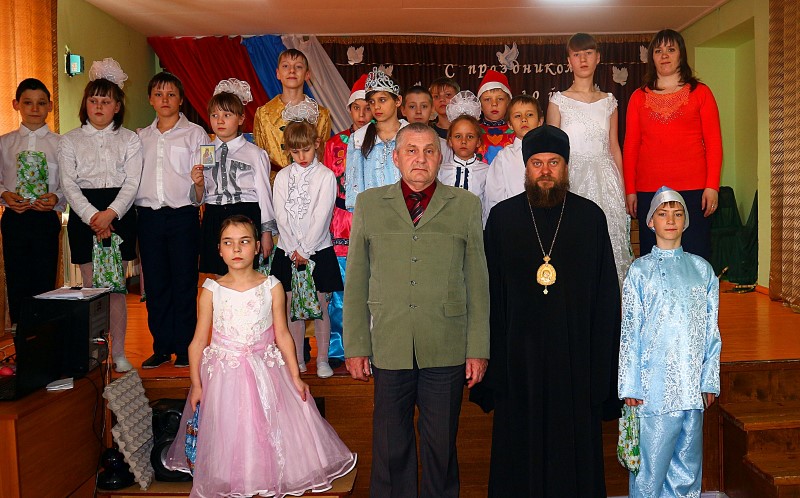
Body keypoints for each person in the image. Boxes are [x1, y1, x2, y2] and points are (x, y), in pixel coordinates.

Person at [344, 122, 490, 498]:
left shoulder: (466, 206)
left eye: (428, 151)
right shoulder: (369, 205)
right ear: (396, 157)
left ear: (440, 159)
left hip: (446, 345)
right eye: (411, 150)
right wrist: (356, 346)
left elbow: (478, 283)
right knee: (390, 447)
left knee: (440, 448)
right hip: (390, 344)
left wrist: (478, 349)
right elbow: (356, 279)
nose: (420, 159)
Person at [164, 215, 356, 497]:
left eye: (244, 242)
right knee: (230, 432)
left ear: (257, 247)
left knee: (267, 430)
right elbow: (197, 343)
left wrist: (295, 376)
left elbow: (283, 334)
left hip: (265, 371)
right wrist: (197, 384)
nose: (236, 249)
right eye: (228, 243)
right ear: (219, 250)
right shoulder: (210, 290)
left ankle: (263, 480)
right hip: (224, 377)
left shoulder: (272, 286)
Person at [480, 125, 621, 497]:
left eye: (553, 163)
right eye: (537, 163)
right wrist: (493, 361)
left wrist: (602, 368)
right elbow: (488, 295)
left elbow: (607, 296)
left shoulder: (590, 217)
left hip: (574, 359)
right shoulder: (502, 219)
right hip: (518, 360)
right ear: (526, 168)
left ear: (566, 167)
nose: (545, 171)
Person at [618, 186, 721, 497]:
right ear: (651, 221)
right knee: (650, 472)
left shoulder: (702, 270)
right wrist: (630, 386)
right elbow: (630, 331)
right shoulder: (640, 272)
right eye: (663, 214)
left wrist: (709, 379)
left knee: (687, 471)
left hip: (691, 389)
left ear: (686, 221)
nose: (671, 220)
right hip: (653, 391)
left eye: (678, 214)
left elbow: (711, 331)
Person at [58, 58, 142, 374]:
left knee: (116, 290)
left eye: (106, 101)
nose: (98, 106)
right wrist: (94, 216)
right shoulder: (69, 140)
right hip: (85, 216)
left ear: (117, 107)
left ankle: (118, 352)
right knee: (92, 288)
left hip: (119, 212)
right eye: (93, 100)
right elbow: (69, 184)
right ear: (85, 104)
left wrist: (111, 214)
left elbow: (132, 182)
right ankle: (94, 354)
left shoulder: (130, 139)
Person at [624, 29, 722, 259]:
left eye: (670, 49)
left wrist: (712, 186)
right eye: (658, 51)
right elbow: (631, 147)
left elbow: (714, 143)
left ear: (681, 54)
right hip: (649, 190)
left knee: (696, 255)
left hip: (694, 190)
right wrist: (630, 190)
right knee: (653, 258)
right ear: (652, 57)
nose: (664, 55)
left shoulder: (701, 93)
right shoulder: (638, 97)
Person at [548, 32, 633, 288]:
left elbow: (614, 147)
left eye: (588, 53)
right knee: (572, 243)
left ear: (598, 58)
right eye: (577, 54)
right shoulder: (558, 101)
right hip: (571, 181)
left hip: (606, 182)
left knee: (609, 244)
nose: (583, 59)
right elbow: (553, 151)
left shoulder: (609, 102)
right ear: (569, 61)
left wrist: (624, 188)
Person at [136, 71, 209, 369]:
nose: (164, 100)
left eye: (171, 94)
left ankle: (185, 348)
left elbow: (207, 180)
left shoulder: (197, 134)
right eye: (159, 94)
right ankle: (162, 347)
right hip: (148, 219)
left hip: (183, 217)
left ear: (181, 100)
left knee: (184, 284)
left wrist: (200, 185)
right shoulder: (140, 137)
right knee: (155, 286)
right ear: (150, 100)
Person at [272, 99, 341, 378]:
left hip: (318, 250)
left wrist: (306, 249)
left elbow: (322, 215)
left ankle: (322, 359)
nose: (301, 156)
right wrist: (293, 248)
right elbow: (280, 215)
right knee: (292, 306)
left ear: (317, 144)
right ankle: (298, 360)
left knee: (320, 305)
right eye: (295, 151)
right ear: (288, 150)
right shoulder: (282, 177)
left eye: (307, 149)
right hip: (287, 251)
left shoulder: (326, 176)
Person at [190, 78, 277, 277]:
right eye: (214, 115)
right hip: (214, 217)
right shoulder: (205, 152)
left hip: (245, 214)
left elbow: (264, 194)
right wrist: (198, 184)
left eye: (227, 115)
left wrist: (266, 233)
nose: (220, 121)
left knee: (247, 274)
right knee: (220, 276)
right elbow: (199, 199)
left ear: (240, 118)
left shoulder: (255, 154)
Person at [0, 79, 64, 326]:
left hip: (45, 219)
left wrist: (56, 197)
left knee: (45, 283)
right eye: (28, 102)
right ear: (16, 104)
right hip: (14, 218)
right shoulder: (5, 143)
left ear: (50, 106)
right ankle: (22, 343)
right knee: (17, 282)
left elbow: (69, 183)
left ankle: (44, 343)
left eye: (41, 103)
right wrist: (4, 194)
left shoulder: (60, 144)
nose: (34, 108)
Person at [322, 73, 371, 366]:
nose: (362, 114)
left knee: (373, 289)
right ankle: (339, 347)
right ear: (349, 109)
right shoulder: (334, 144)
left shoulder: (384, 141)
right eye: (356, 108)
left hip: (373, 221)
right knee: (340, 291)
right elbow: (327, 187)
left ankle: (372, 346)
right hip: (341, 221)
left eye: (368, 107)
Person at [253, 48, 332, 171]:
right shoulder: (263, 114)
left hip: (311, 179)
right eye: (286, 66)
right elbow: (259, 159)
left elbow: (323, 156)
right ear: (278, 73)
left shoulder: (321, 115)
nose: (292, 70)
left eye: (298, 67)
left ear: (307, 74)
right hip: (273, 181)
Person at [344, 67, 408, 210]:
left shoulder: (413, 135)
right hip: (372, 214)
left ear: (398, 101)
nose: (376, 107)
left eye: (382, 100)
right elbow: (355, 189)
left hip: (407, 213)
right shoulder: (359, 139)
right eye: (372, 102)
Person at [483, 94, 543, 220]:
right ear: (510, 124)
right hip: (513, 219)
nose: (524, 119)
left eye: (529, 114)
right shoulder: (503, 157)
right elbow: (494, 196)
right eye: (517, 116)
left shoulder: (549, 154)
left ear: (540, 121)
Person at [437, 91, 488, 211]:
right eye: (458, 136)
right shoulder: (441, 170)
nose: (463, 141)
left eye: (470, 136)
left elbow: (488, 203)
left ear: (478, 142)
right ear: (450, 141)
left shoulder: (486, 171)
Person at [477, 70, 514, 164]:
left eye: (500, 99)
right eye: (487, 99)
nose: (494, 104)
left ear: (508, 103)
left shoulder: (516, 132)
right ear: (480, 105)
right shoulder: (474, 132)